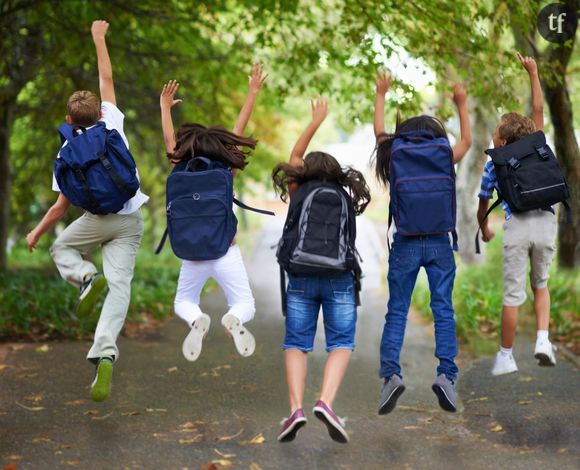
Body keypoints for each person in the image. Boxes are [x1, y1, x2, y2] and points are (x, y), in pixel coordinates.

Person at [26, 20, 148, 402]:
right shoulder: (112, 122)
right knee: (121, 287)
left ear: (68, 120)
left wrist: (37, 232)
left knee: (61, 249)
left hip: (94, 221)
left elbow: (62, 206)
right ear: (98, 112)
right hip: (129, 218)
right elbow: (106, 76)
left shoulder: (65, 152)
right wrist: (99, 38)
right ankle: (105, 351)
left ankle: (85, 278)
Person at [272, 97, 371, 443]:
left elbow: (294, 157)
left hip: (300, 275)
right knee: (341, 342)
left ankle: (296, 410)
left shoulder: (299, 190)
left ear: (305, 173)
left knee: (297, 343)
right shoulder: (344, 195)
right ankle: (326, 403)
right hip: (339, 278)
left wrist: (315, 121)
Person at [374, 72, 471, 414]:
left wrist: (381, 94)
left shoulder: (394, 153)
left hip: (406, 243)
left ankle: (391, 376)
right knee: (443, 308)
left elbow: (379, 133)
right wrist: (461, 104)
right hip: (440, 243)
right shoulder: (443, 153)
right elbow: (467, 143)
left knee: (397, 310)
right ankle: (446, 375)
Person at [159, 64, 268, 362]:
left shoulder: (178, 168)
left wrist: (165, 108)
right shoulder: (225, 171)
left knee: (183, 300)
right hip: (225, 250)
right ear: (220, 148)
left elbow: (170, 142)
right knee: (245, 303)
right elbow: (238, 131)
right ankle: (233, 318)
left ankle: (196, 319)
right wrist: (252, 92)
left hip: (192, 254)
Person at [477, 53, 558, 376]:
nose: (494, 138)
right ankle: (542, 339)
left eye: (497, 134)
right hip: (546, 222)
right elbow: (538, 110)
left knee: (512, 295)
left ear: (504, 140)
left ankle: (506, 356)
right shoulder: (538, 145)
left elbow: (483, 200)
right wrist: (533, 73)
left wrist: (484, 228)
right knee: (541, 284)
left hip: (517, 227)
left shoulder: (495, 163)